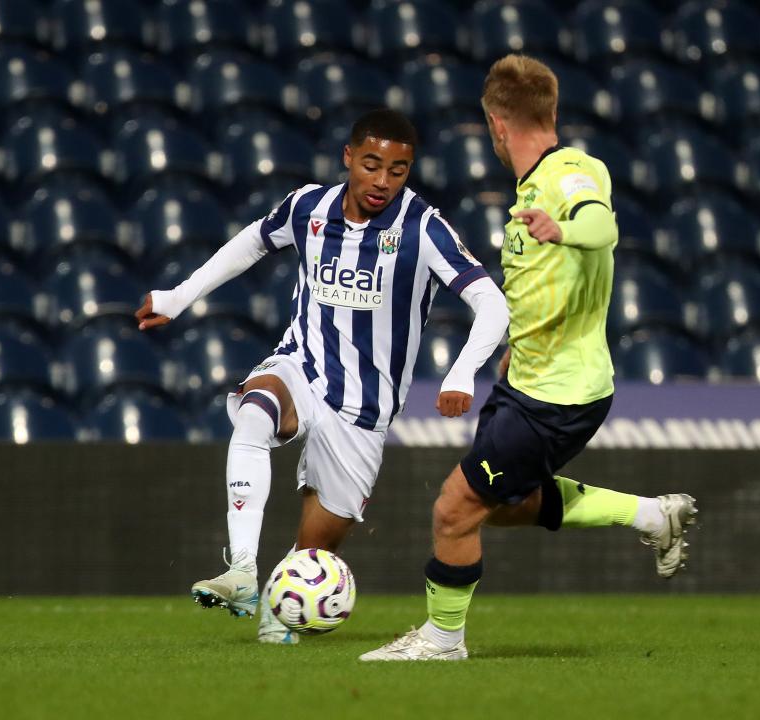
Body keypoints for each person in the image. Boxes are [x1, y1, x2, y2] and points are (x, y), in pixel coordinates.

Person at [360, 55, 697, 662]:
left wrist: (562, 230)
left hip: (558, 395)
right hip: (529, 381)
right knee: (501, 505)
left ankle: (442, 640)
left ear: (496, 123)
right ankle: (651, 515)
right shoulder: (535, 184)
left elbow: (601, 227)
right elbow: (550, 280)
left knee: (454, 509)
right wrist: (518, 342)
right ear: (552, 109)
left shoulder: (570, 173)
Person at [135, 109, 509, 644]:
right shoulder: (308, 207)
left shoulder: (423, 228)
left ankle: (277, 615)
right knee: (255, 412)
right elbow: (251, 242)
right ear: (348, 157)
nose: (382, 181)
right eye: (372, 165)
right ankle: (242, 570)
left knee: (314, 554)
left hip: (364, 409)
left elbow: (492, 303)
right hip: (301, 365)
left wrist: (462, 373)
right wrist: (178, 297)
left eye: (398, 170)